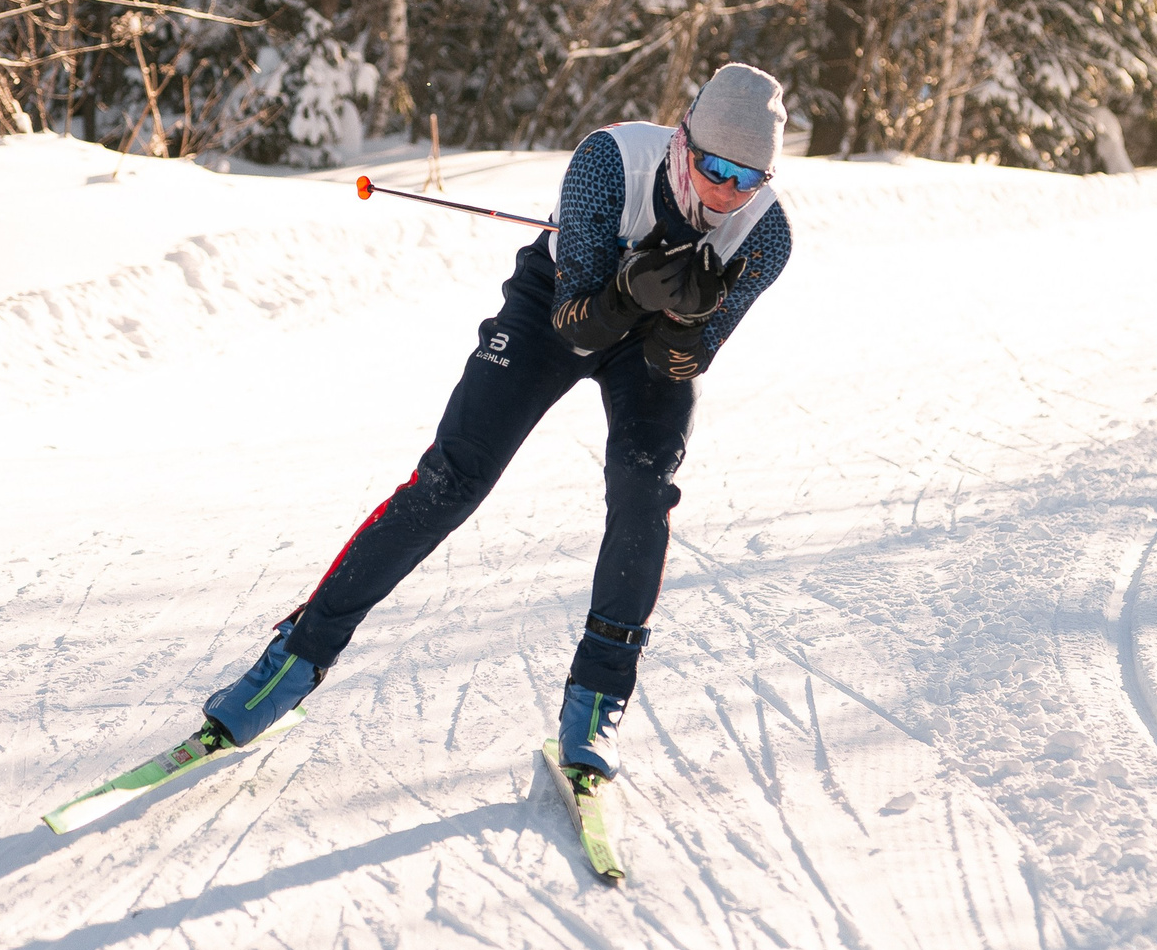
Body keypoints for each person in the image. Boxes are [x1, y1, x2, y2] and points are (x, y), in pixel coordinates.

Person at [197, 63, 796, 781]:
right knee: (453, 479)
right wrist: (631, 289)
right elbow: (575, 326)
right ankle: (294, 659)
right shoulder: (612, 161)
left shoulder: (766, 234)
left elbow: (683, 364)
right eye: (714, 166)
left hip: (645, 343)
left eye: (747, 178)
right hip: (559, 308)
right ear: (684, 138)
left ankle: (597, 699)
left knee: (644, 493)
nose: (726, 190)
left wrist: (683, 324)